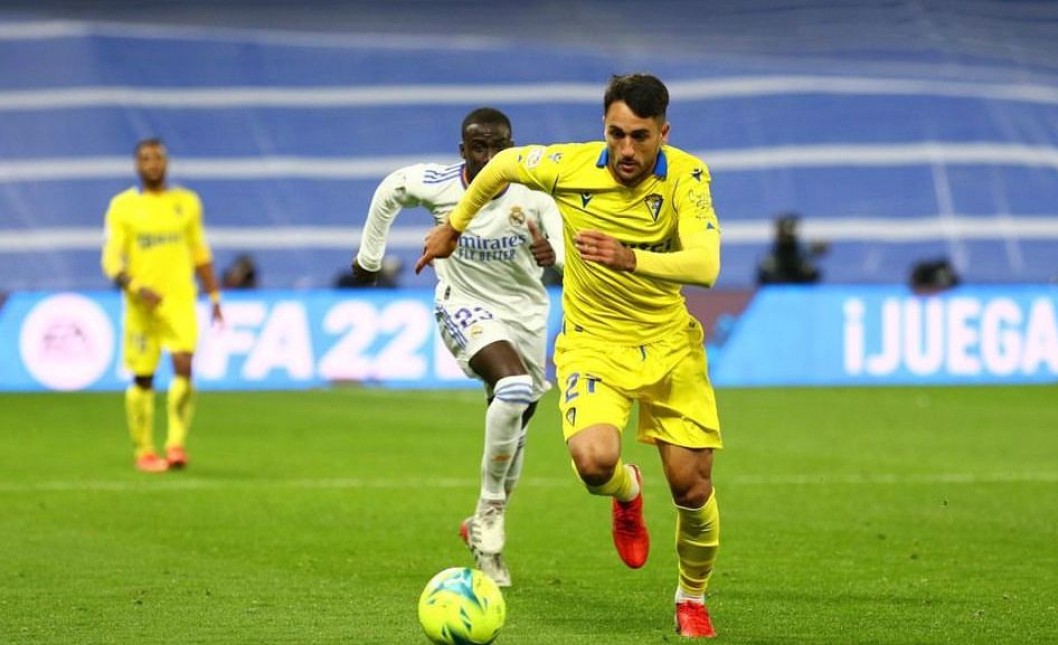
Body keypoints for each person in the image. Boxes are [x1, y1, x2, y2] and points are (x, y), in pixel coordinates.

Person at [417, 74, 723, 639]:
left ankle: (692, 597)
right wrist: (454, 228)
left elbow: (706, 265)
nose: (625, 149)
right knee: (594, 463)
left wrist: (630, 258)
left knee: (692, 489)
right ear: (603, 127)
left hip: (669, 346)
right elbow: (500, 167)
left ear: (663, 133)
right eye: (615, 134)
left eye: (640, 137)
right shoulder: (568, 164)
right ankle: (627, 491)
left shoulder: (688, 175)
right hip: (592, 343)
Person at [351, 107, 564, 588]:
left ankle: (483, 526)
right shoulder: (438, 183)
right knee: (513, 387)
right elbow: (390, 190)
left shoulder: (534, 193)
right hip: (463, 304)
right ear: (462, 150)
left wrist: (555, 256)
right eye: (478, 147)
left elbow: (564, 248)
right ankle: (489, 511)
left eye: (498, 147)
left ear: (511, 148)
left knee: (517, 423)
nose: (488, 158)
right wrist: (368, 259)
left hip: (527, 314)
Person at [101, 138, 223, 473]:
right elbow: (111, 261)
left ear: (166, 163)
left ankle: (175, 444)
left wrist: (214, 297)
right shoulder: (123, 207)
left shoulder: (187, 203)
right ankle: (144, 450)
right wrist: (137, 288)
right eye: (146, 158)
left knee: (184, 365)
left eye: (157, 158)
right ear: (137, 165)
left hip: (180, 300)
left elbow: (199, 252)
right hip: (141, 307)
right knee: (143, 378)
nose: (152, 164)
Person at [756, 212, 828, 285]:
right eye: (784, 229)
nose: (788, 233)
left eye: (791, 228)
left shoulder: (805, 265)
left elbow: (814, 281)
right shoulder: (768, 266)